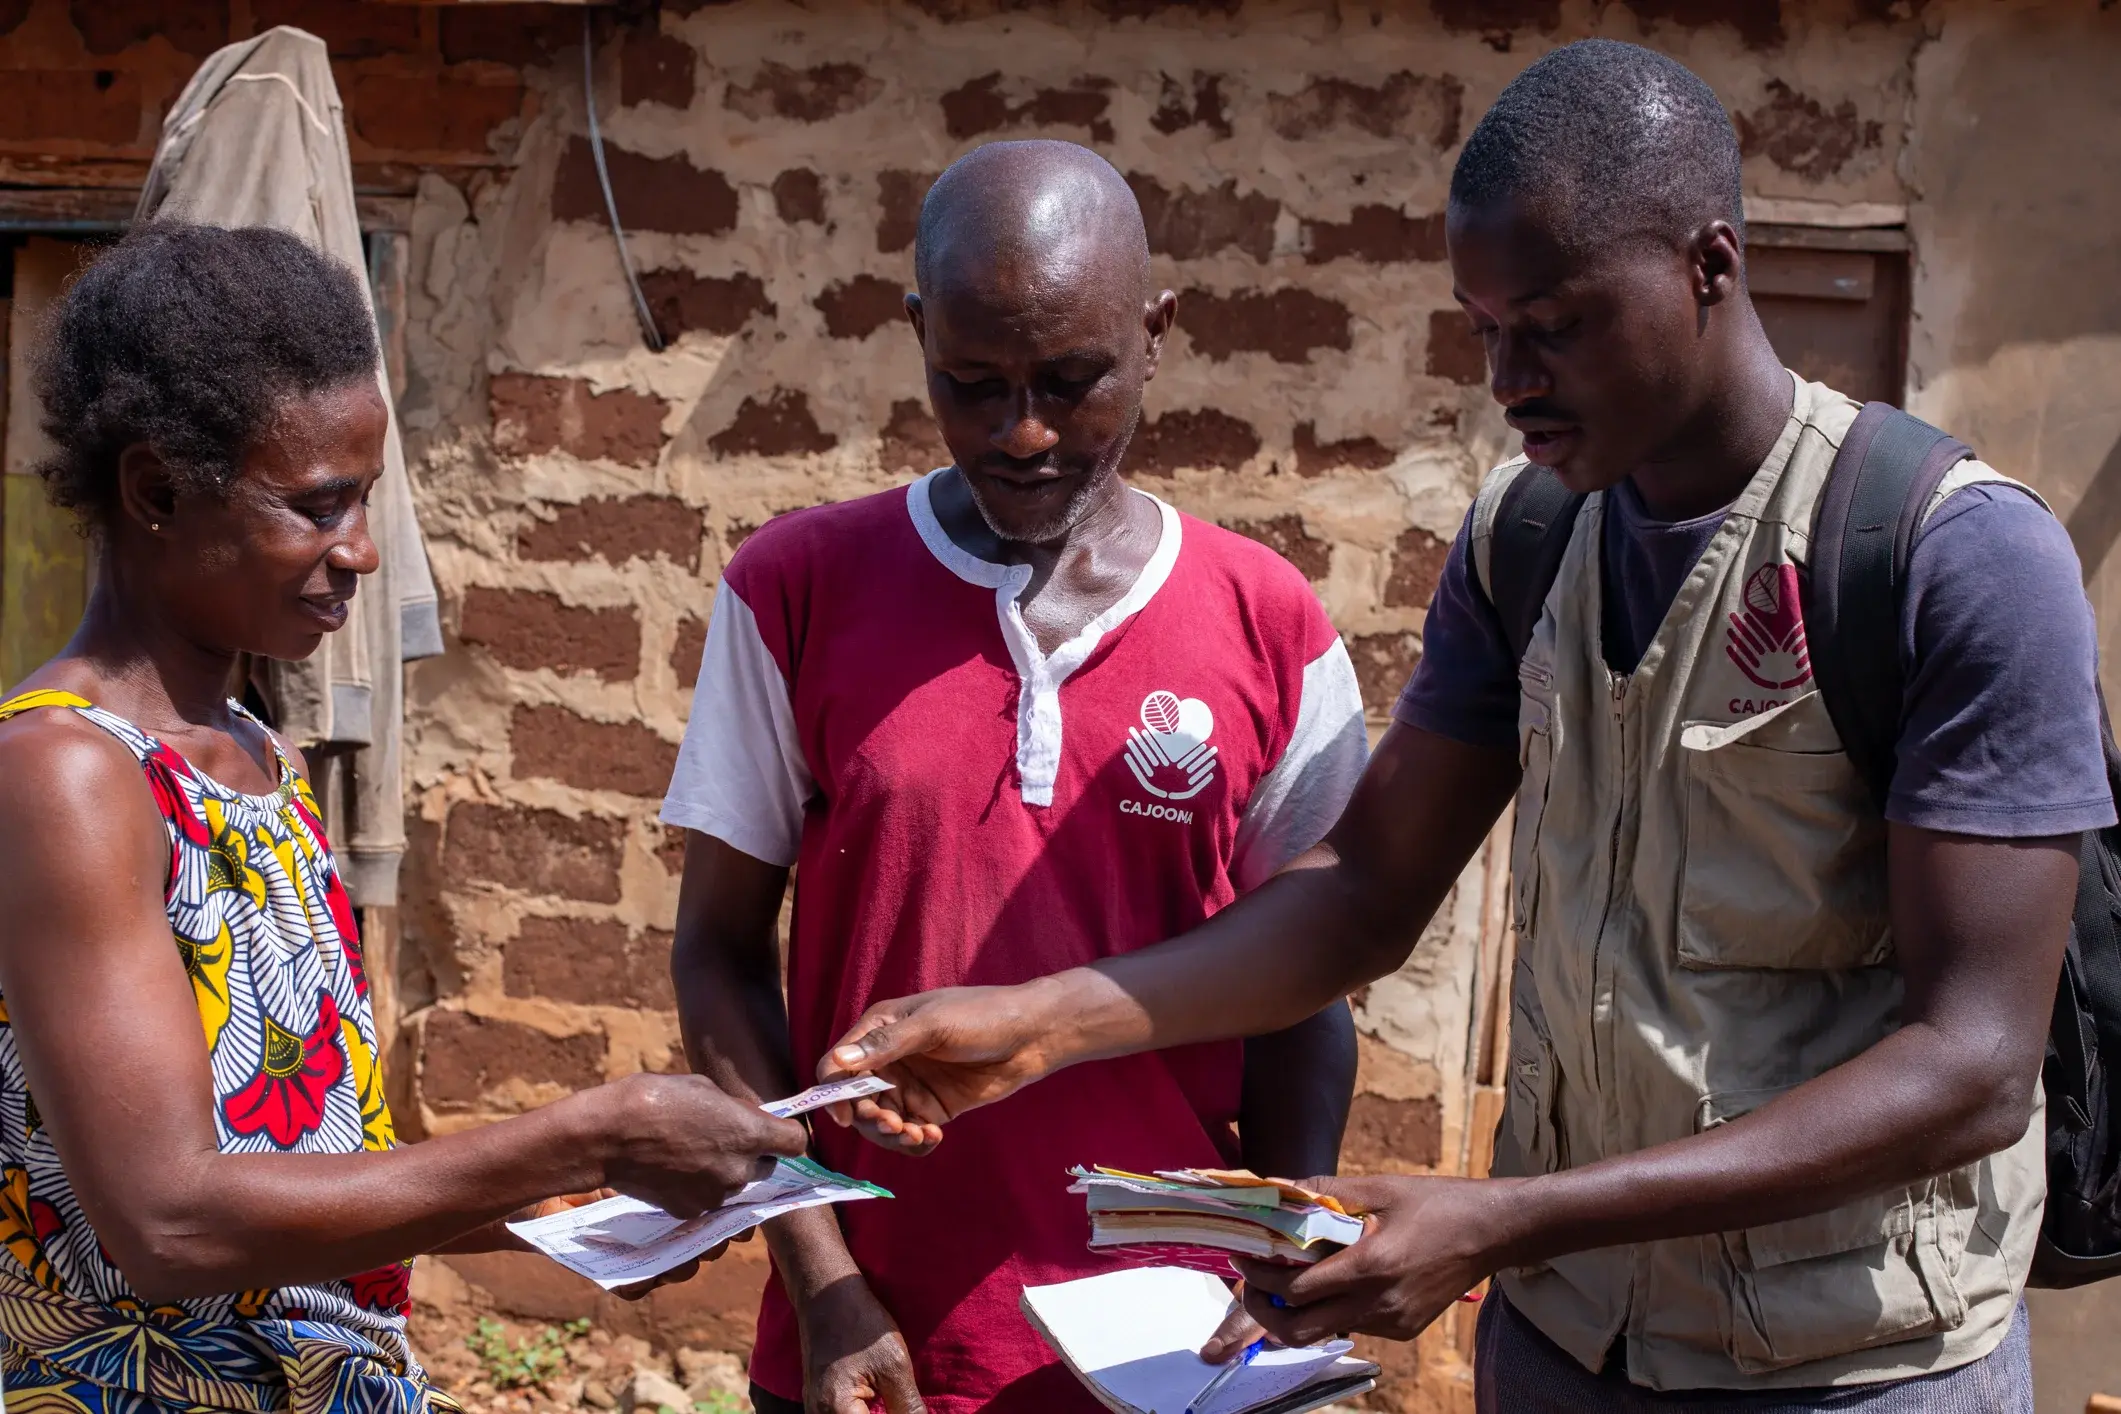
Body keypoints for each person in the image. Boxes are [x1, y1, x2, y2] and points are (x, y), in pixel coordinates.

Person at [813, 42, 2112, 1413]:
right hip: (1566, 1348)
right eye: (1486, 328)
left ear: (1709, 266)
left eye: (1552, 323)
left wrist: (1504, 1218)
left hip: (1854, 1367)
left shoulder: (1944, 557)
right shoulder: (1530, 536)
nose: (1510, 377)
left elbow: (1971, 1068)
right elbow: (1366, 891)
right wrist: (1040, 1024)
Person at [0, 223, 808, 1414]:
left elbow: (315, 1177)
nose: (361, 552)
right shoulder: (64, 775)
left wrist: (575, 1222)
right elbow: (169, 1217)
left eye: (364, 501)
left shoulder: (257, 754)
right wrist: (591, 1131)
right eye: (317, 507)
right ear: (158, 490)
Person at [659, 139, 1368, 1414]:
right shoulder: (796, 590)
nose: (1024, 430)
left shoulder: (1269, 621)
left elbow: (1308, 994)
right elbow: (715, 952)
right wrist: (821, 1279)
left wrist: (1281, 1275)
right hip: (876, 1349)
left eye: (1073, 379)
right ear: (919, 334)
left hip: (1179, 1354)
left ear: (1157, 335)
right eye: (973, 383)